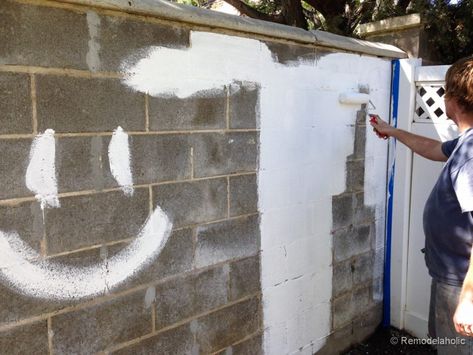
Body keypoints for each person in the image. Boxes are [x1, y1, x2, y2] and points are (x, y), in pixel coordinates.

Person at [371, 56, 473, 354]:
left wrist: (468, 300)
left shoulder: (470, 156)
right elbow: (433, 148)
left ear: (453, 99)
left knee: (455, 349)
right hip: (450, 275)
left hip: (460, 282)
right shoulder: (465, 143)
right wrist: (392, 131)